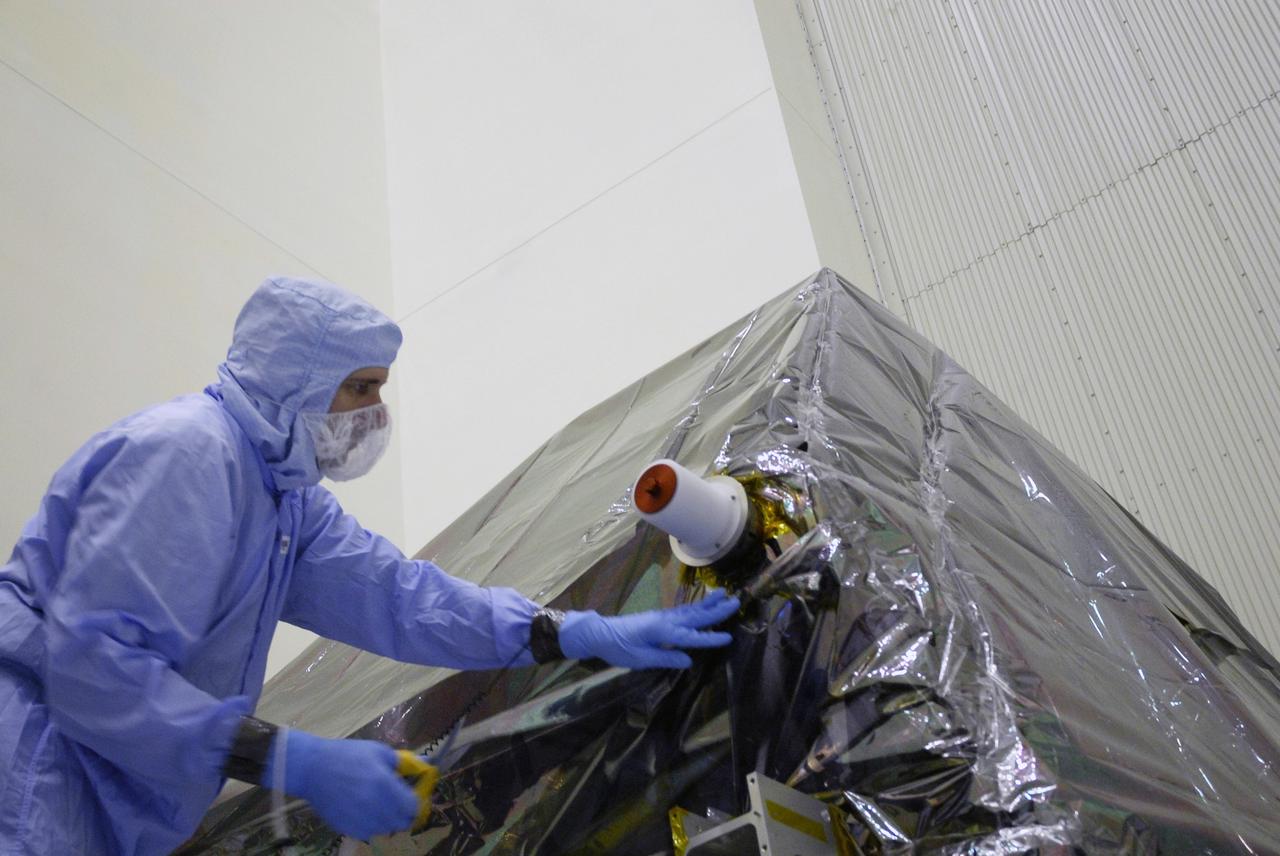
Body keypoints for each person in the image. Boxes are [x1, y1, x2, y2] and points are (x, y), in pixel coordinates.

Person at [0, 276, 739, 854]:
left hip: (97, 797)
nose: (373, 415)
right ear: (292, 378)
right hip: (32, 772)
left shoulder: (281, 502)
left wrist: (562, 632)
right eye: (359, 388)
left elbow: (400, 597)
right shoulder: (189, 455)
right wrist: (295, 760)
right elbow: (95, 672)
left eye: (379, 390)